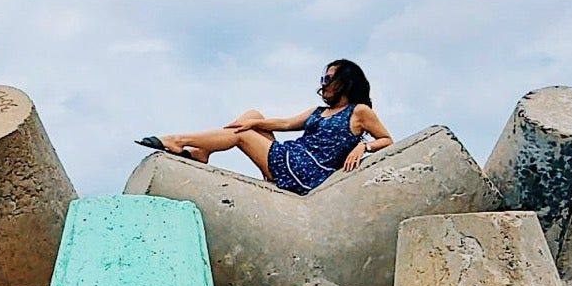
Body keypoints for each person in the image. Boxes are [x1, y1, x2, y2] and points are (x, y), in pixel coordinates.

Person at [137, 59, 394, 195]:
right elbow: (285, 123)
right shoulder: (319, 112)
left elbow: (387, 140)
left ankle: (179, 141)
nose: (323, 83)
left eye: (328, 78)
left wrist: (364, 146)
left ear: (344, 82)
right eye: (322, 78)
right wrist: (255, 122)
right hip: (292, 156)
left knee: (244, 134)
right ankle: (203, 152)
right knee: (253, 115)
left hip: (307, 172)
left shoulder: (359, 112)